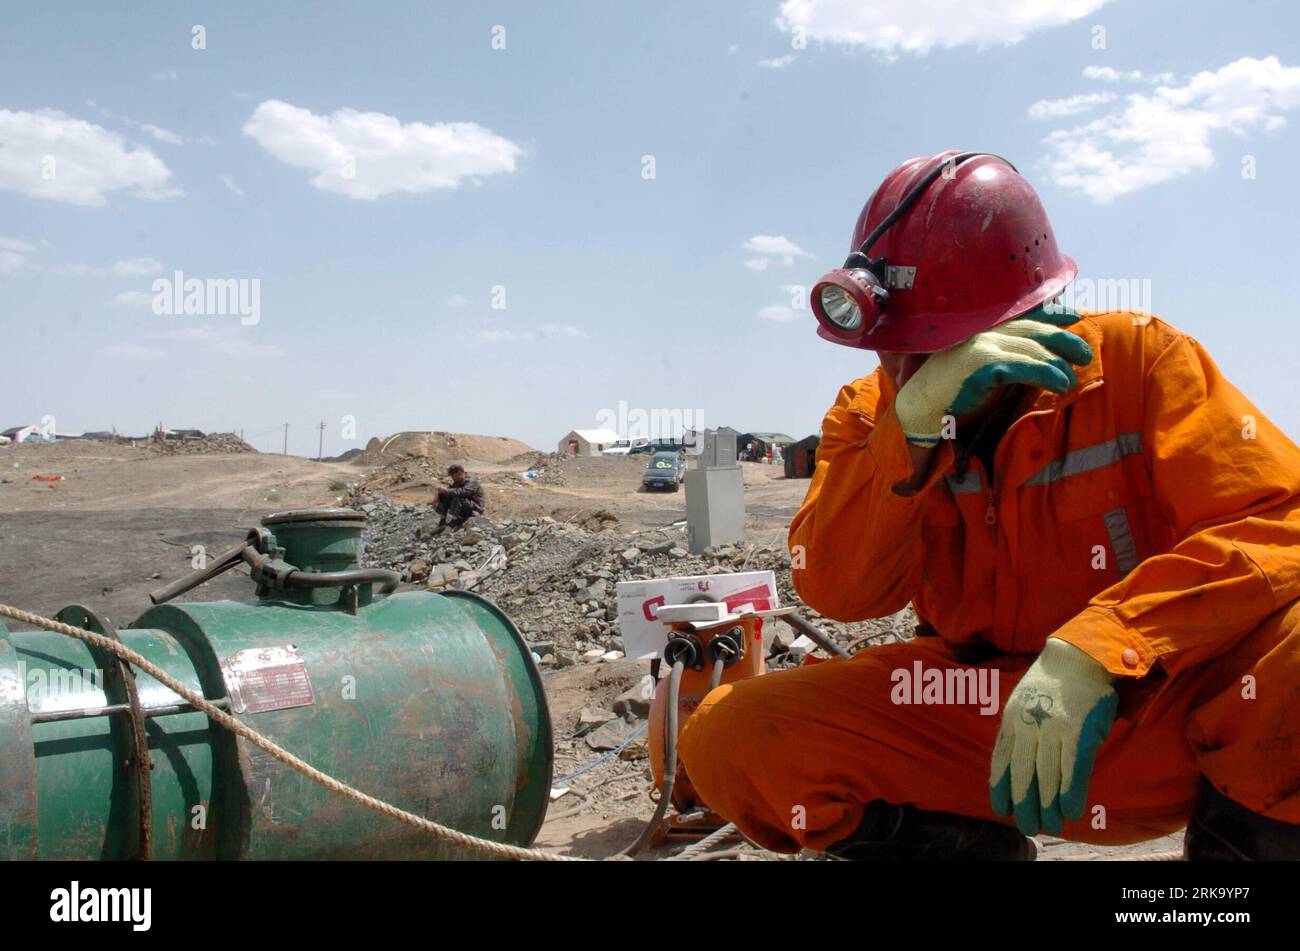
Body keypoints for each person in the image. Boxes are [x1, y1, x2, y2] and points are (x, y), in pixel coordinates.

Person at [678, 150, 1300, 861]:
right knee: (730, 738)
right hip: (974, 723)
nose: (909, 368)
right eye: (894, 345)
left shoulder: (1137, 363)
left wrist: (1097, 648)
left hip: (1154, 715)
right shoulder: (869, 416)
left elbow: (1283, 519)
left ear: (1023, 317)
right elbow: (837, 589)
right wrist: (907, 436)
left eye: (940, 342)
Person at [433, 463, 485, 532]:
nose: (452, 478)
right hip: (464, 506)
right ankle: (443, 520)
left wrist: (446, 491)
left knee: (457, 495)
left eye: (453, 475)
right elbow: (448, 490)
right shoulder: (457, 483)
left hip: (475, 508)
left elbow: (463, 492)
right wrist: (439, 495)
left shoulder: (472, 482)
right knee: (444, 495)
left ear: (460, 472)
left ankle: (455, 520)